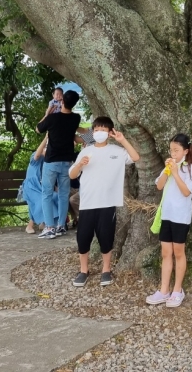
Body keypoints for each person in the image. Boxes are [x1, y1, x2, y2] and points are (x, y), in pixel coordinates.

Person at [68, 116, 140, 286]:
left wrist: (123, 140)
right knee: (83, 238)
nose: (100, 133)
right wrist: (80, 165)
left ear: (110, 132)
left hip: (108, 203)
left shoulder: (117, 151)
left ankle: (106, 270)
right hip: (87, 203)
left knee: (106, 238)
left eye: (103, 130)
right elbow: (71, 174)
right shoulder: (86, 151)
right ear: (93, 132)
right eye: (97, 129)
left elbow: (135, 157)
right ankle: (83, 270)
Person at [146, 133, 192, 308]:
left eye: (177, 150)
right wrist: (167, 171)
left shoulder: (189, 169)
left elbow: (186, 192)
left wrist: (176, 173)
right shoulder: (169, 166)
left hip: (180, 217)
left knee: (179, 253)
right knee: (165, 253)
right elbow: (159, 185)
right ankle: (164, 290)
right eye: (171, 150)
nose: (174, 153)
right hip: (166, 216)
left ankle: (177, 290)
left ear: (186, 151)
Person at [36, 88, 82, 239]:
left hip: (51, 161)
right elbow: (75, 135)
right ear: (74, 104)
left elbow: (38, 129)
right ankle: (61, 226)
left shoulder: (52, 118)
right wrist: (90, 137)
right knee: (63, 194)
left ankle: (50, 227)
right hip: (67, 162)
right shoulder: (76, 118)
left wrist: (47, 114)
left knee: (47, 194)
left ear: (62, 101)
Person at [22, 136, 58, 233]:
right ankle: (30, 225)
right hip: (30, 187)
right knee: (40, 200)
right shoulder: (35, 156)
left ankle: (46, 223)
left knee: (55, 196)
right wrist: (46, 137)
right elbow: (37, 155)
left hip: (41, 186)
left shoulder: (48, 160)